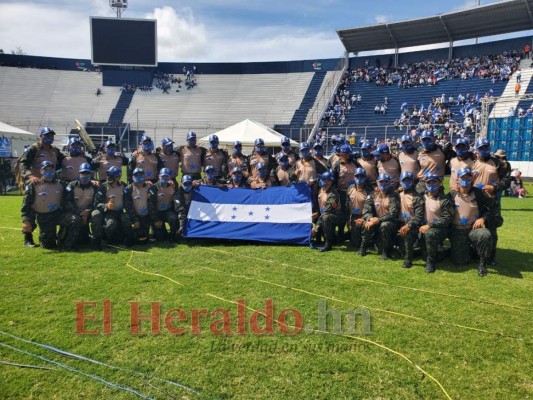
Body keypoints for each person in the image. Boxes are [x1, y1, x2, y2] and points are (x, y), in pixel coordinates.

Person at [18, 127, 65, 247]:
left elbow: (65, 161)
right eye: (46, 135)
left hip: (51, 184)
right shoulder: (34, 149)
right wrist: (30, 176)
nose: (49, 138)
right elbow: (23, 164)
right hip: (36, 184)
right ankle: (27, 238)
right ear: (41, 136)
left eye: (51, 136)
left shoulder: (55, 151)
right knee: (31, 209)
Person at [21, 161, 80, 250]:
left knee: (74, 219)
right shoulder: (34, 185)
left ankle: (67, 244)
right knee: (48, 246)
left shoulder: (61, 184)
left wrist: (91, 180)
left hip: (58, 214)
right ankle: (42, 238)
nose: (49, 171)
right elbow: (26, 204)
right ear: (41, 171)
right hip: (44, 217)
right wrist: (25, 220)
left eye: (51, 169)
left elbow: (74, 185)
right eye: (46, 169)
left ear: (55, 170)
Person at [449, 168, 495, 277]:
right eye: (462, 177)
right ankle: (469, 250)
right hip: (457, 230)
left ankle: (482, 263)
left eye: (468, 177)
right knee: (459, 262)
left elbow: (492, 208)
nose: (465, 179)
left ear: (472, 178)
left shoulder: (479, 193)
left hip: (473, 229)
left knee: (485, 234)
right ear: (457, 180)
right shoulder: (451, 195)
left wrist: (483, 218)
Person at [360, 173, 400, 259]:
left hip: (390, 223)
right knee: (367, 223)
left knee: (384, 225)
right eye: (381, 182)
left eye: (386, 182)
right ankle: (363, 247)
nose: (383, 184)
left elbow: (393, 214)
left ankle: (386, 252)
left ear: (389, 183)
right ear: (377, 183)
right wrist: (370, 218)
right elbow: (366, 209)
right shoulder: (373, 195)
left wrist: (378, 220)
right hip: (375, 221)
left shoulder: (394, 196)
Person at [418, 174, 453, 273]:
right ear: (425, 183)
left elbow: (446, 219)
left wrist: (430, 225)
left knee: (430, 234)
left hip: (440, 229)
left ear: (440, 183)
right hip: (422, 227)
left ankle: (431, 263)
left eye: (434, 182)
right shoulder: (421, 197)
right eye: (429, 182)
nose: (431, 184)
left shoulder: (445, 199)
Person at [91, 166, 133, 248]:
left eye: (112, 176)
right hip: (109, 213)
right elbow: (96, 203)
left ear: (118, 177)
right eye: (108, 175)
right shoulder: (103, 187)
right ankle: (107, 240)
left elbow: (131, 195)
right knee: (111, 224)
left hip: (120, 212)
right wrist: (106, 205)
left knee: (126, 220)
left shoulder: (123, 185)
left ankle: (128, 240)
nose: (108, 177)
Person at [64, 162, 98, 248]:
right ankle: (69, 244)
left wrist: (88, 211)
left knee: (97, 215)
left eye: (87, 173)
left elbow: (96, 202)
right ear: (79, 173)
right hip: (74, 212)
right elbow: (67, 202)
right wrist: (80, 212)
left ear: (91, 174)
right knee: (75, 220)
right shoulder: (71, 185)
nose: (85, 176)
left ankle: (97, 241)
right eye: (83, 173)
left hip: (88, 212)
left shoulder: (95, 186)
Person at [397, 171, 425, 268]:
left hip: (412, 226)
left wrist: (408, 225)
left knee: (407, 234)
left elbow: (418, 217)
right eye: (404, 180)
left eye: (409, 180)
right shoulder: (397, 194)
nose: (406, 183)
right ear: (400, 181)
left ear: (413, 181)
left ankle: (408, 260)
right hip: (399, 223)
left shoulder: (417, 197)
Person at [311, 171, 343, 252]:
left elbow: (327, 211)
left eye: (323, 179)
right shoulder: (321, 190)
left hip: (336, 216)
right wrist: (317, 213)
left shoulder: (332, 194)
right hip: (323, 214)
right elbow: (321, 206)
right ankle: (329, 238)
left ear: (329, 181)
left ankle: (328, 244)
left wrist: (316, 227)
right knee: (318, 218)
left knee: (325, 218)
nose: (321, 180)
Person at [124, 168, 157, 244]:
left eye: (141, 175)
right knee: (134, 239)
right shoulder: (128, 189)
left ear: (144, 176)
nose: (138, 176)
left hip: (147, 217)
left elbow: (153, 204)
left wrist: (155, 219)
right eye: (136, 175)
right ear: (132, 177)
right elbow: (128, 207)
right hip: (135, 217)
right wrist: (135, 220)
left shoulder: (150, 187)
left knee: (147, 239)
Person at [346, 168, 372, 250]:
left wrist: (364, 218)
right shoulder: (350, 188)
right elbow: (346, 204)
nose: (359, 179)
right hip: (354, 217)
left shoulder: (369, 191)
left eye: (362, 177)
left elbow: (371, 208)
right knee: (355, 243)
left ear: (365, 178)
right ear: (354, 177)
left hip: (364, 217)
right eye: (357, 176)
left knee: (366, 239)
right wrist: (348, 220)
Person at [152, 168, 179, 242]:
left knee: (173, 219)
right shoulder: (154, 187)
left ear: (170, 177)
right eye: (163, 176)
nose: (165, 178)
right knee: (160, 238)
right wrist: (156, 220)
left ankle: (172, 236)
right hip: (157, 213)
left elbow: (177, 199)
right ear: (159, 176)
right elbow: (152, 206)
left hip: (168, 211)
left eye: (167, 176)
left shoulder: (173, 186)